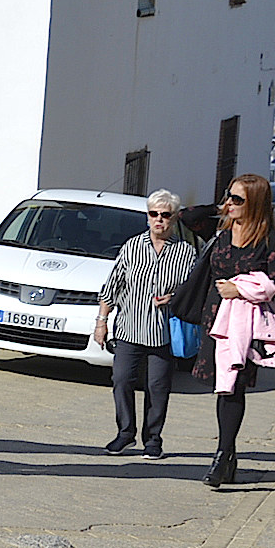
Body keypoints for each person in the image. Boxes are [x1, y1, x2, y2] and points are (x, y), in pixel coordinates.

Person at [180, 174, 275, 489]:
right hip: (214, 320)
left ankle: (221, 454)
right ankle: (229, 455)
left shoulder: (269, 239)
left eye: (238, 199)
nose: (230, 203)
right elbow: (188, 217)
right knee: (221, 386)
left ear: (254, 203)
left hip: (246, 323)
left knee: (234, 386)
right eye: (229, 196)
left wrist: (240, 289)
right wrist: (224, 204)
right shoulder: (221, 229)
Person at [91, 190, 198, 460]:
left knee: (158, 388)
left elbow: (192, 290)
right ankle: (125, 433)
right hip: (129, 328)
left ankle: (153, 440)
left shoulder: (185, 252)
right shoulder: (132, 246)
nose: (159, 220)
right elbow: (112, 286)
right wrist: (101, 322)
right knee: (122, 379)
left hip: (162, 333)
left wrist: (173, 298)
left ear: (174, 219)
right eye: (154, 214)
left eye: (165, 215)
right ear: (147, 217)